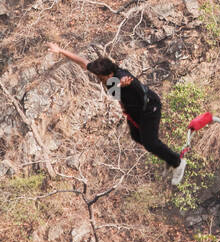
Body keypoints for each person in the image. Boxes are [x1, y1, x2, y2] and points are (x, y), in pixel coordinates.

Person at [48, 44, 187, 183]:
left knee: (150, 143)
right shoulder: (106, 74)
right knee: (137, 137)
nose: (100, 80)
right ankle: (167, 157)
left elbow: (126, 81)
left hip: (149, 107)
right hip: (134, 110)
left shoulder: (123, 77)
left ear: (110, 74)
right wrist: (60, 51)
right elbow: (82, 62)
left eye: (102, 78)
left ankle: (177, 163)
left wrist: (121, 84)